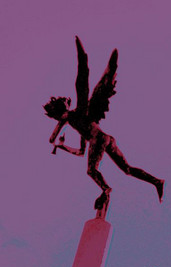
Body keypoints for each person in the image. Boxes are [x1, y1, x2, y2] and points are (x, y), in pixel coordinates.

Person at [44, 37, 164, 216]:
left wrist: (81, 56)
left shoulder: (78, 113)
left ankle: (106, 189)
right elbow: (80, 151)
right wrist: (62, 147)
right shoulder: (79, 124)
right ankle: (157, 182)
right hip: (106, 139)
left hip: (98, 140)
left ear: (59, 112)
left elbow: (82, 80)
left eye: (56, 117)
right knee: (127, 169)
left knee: (91, 171)